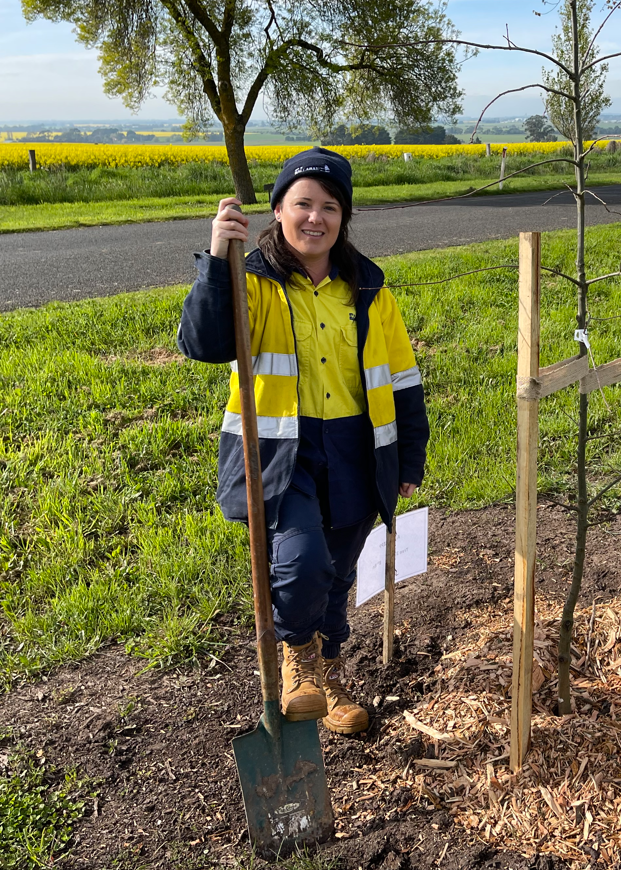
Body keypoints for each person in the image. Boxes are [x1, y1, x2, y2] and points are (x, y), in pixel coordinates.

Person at [177, 147, 428, 735]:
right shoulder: (254, 279)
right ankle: (297, 658)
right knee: (302, 560)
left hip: (356, 452)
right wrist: (218, 259)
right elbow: (203, 343)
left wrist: (409, 455)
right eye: (303, 205)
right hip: (278, 455)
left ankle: (329, 679)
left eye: (330, 207)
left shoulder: (367, 290)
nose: (315, 218)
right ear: (278, 211)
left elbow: (403, 377)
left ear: (344, 218)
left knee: (339, 573)